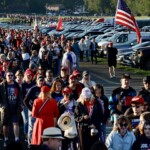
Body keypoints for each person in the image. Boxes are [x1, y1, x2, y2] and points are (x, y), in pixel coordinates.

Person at [0, 70, 22, 147]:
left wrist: (20, 105)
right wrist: (2, 106)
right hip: (6, 108)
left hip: (15, 107)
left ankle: (17, 139)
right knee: (5, 125)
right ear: (6, 76)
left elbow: (20, 97)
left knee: (16, 123)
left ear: (14, 76)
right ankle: (6, 139)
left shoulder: (17, 85)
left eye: (11, 75)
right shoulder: (2, 85)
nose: (10, 77)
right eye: (8, 75)